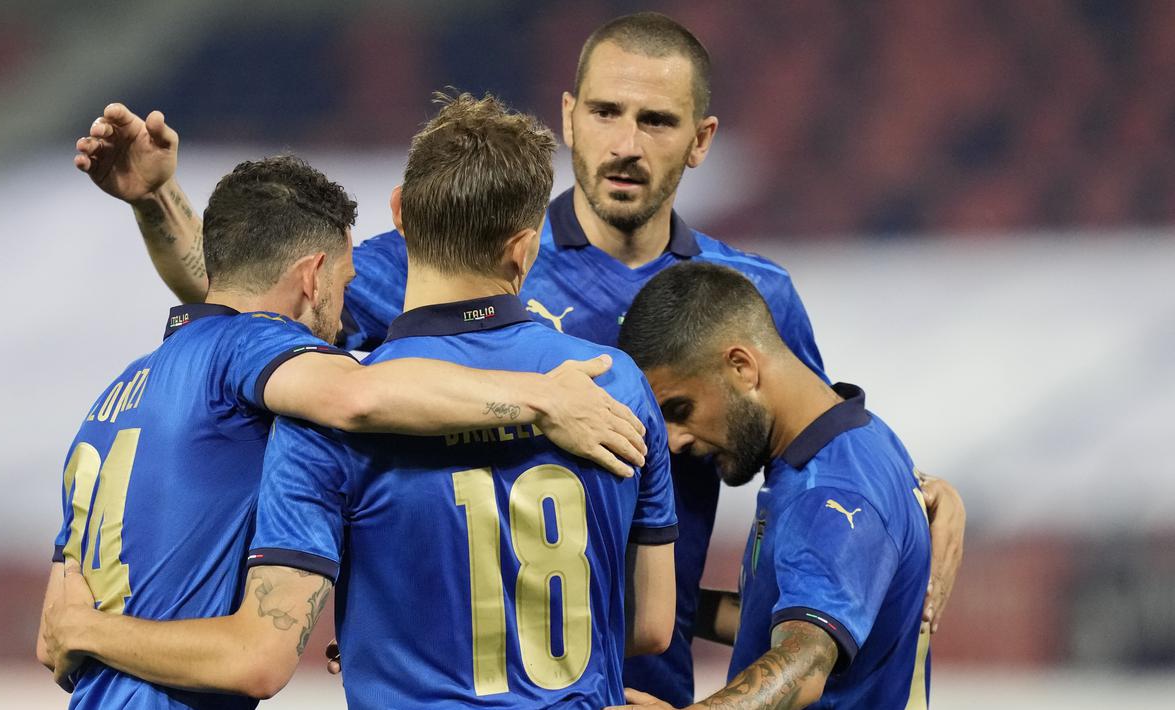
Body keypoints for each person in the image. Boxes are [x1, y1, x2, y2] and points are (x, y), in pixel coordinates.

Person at [71, 12, 964, 706]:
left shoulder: (750, 296)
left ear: (700, 140)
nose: (625, 141)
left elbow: (805, 444)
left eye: (656, 121)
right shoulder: (436, 261)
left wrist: (915, 496)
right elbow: (258, 295)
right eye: (607, 112)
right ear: (569, 118)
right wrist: (160, 206)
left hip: (633, 683)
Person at [45, 93, 678, 709]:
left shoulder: (124, 398)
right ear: (526, 246)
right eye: (344, 284)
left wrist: (387, 640)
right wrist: (544, 399)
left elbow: (239, 297)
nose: (348, 309)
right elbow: (650, 626)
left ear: (399, 213)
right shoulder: (613, 384)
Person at [611, 262, 933, 710]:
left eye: (680, 408)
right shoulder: (847, 444)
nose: (674, 440)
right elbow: (778, 619)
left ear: (741, 366)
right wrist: (660, 605)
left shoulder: (831, 493)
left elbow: (805, 660)